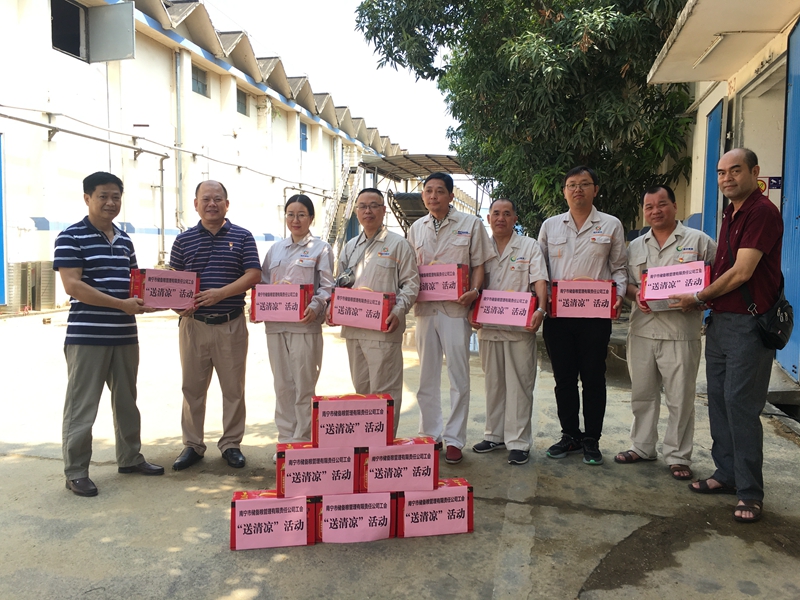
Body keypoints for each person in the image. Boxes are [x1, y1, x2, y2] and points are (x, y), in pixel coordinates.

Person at [671, 148, 783, 523]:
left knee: (740, 404)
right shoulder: (731, 213)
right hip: (721, 321)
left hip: (748, 324)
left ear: (755, 172)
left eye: (735, 170)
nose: (727, 178)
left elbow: (742, 271)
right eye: (721, 172)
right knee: (718, 399)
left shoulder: (761, 212)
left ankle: (750, 492)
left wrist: (698, 297)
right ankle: (726, 473)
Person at [54, 171, 163, 497]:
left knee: (127, 401)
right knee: (82, 406)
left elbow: (135, 286)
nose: (110, 202)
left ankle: (130, 458)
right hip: (88, 336)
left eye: (116, 197)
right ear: (87, 198)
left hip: (124, 335)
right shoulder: (70, 237)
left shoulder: (125, 239)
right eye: (103, 196)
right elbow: (73, 286)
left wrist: (159, 301)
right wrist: (121, 305)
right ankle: (76, 471)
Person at [614, 186, 717, 480]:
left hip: (681, 333)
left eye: (661, 204)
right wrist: (636, 295)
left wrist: (698, 299)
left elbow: (716, 281)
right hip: (643, 331)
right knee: (642, 394)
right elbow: (627, 283)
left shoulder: (699, 241)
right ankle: (642, 446)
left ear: (674, 206)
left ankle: (678, 456)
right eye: (649, 207)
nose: (655, 211)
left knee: (680, 399)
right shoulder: (635, 246)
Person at [169, 181, 261, 470]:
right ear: (196, 204)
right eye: (206, 199)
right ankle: (192, 445)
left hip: (230, 324)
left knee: (233, 388)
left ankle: (231, 444)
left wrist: (220, 294)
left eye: (218, 199)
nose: (212, 204)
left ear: (227, 204)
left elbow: (253, 274)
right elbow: (172, 282)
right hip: (193, 326)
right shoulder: (183, 241)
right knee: (192, 388)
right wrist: (176, 304)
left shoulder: (242, 237)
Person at [538, 166, 627, 465]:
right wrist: (543, 298)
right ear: (564, 191)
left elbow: (619, 268)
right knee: (564, 379)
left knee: (593, 378)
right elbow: (540, 270)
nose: (578, 189)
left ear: (595, 190)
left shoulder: (611, 225)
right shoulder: (550, 226)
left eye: (585, 184)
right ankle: (570, 435)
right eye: (572, 185)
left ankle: (591, 439)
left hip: (595, 316)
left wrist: (619, 295)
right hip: (558, 316)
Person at [408, 172, 495, 464]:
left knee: (459, 375)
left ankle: (455, 439)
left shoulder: (471, 224)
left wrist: (474, 292)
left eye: (439, 191)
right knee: (426, 376)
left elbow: (479, 265)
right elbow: (410, 270)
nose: (433, 196)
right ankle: (430, 435)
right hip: (425, 310)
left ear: (451, 195)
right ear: (423, 196)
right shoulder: (416, 228)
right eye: (428, 191)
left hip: (456, 310)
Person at [331, 188, 419, 435]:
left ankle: (384, 444)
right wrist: (332, 307)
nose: (367, 211)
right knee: (362, 389)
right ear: (356, 211)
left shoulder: (398, 244)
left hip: (383, 330)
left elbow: (411, 284)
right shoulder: (350, 247)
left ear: (383, 210)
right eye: (362, 206)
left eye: (373, 206)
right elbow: (340, 284)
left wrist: (398, 311)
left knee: (385, 391)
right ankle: (367, 441)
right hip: (354, 330)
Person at [470, 199, 548, 465]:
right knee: (494, 384)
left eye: (506, 214)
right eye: (495, 213)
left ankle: (518, 442)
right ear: (488, 218)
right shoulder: (481, 247)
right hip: (489, 327)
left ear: (515, 218)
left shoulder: (529, 246)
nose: (500, 218)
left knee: (520, 385)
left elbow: (539, 280)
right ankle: (494, 435)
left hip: (519, 328)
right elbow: (474, 283)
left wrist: (541, 309)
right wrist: (471, 310)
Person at [262, 194, 334, 455]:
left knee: (304, 386)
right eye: (291, 214)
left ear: (311, 218)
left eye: (301, 214)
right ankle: (285, 441)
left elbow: (327, 286)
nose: (295, 219)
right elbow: (264, 284)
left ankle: (301, 441)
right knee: (282, 386)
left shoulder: (321, 248)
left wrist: (315, 306)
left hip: (304, 326)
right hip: (276, 327)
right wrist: (258, 305)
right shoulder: (275, 250)